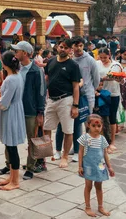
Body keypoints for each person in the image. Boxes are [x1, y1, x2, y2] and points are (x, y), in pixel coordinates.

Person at [43, 38, 80, 168]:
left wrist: (75, 105)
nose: (62, 49)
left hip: (66, 100)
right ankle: (47, 153)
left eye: (65, 47)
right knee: (46, 128)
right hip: (51, 99)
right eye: (61, 46)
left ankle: (64, 157)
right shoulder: (51, 61)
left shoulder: (73, 65)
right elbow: (46, 79)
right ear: (57, 47)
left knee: (67, 130)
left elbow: (76, 86)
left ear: (70, 50)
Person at [10, 41, 45, 180]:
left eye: (17, 50)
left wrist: (40, 112)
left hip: (30, 110)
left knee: (32, 139)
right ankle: (10, 164)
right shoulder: (16, 68)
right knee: (11, 137)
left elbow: (41, 92)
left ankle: (31, 167)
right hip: (15, 109)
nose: (15, 53)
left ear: (24, 53)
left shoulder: (36, 71)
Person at [0, 51, 27, 190]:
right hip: (15, 109)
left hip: (10, 112)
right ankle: (12, 177)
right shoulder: (17, 75)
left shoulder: (10, 79)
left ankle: (15, 181)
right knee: (10, 146)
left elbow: (5, 102)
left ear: (4, 63)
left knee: (12, 147)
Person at [78, 114, 115, 217]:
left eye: (99, 126)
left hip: (100, 166)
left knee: (99, 186)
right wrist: (80, 166)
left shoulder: (102, 139)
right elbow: (80, 152)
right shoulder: (84, 138)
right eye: (94, 126)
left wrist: (110, 167)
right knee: (88, 186)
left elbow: (105, 153)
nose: (96, 128)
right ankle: (88, 207)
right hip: (88, 166)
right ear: (88, 125)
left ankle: (100, 206)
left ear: (102, 126)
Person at [96, 48, 121, 152]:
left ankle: (112, 142)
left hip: (113, 93)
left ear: (109, 55)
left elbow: (121, 79)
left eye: (105, 57)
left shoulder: (116, 65)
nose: (103, 59)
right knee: (101, 117)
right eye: (101, 57)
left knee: (112, 117)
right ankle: (101, 140)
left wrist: (115, 78)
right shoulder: (96, 64)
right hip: (101, 93)